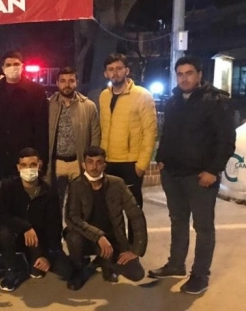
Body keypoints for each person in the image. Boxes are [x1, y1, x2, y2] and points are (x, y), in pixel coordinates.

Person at [149, 56, 235, 295]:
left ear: (199, 75)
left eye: (189, 73)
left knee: (203, 227)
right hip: (173, 174)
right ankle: (176, 264)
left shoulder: (215, 101)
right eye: (180, 74)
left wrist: (213, 170)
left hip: (200, 177)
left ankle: (200, 275)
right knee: (178, 221)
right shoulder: (174, 101)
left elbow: (226, 140)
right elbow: (167, 133)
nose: (184, 78)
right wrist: (162, 159)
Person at [65, 146, 147, 291]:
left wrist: (136, 249)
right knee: (72, 236)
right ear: (84, 165)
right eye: (90, 162)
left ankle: (105, 262)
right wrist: (98, 236)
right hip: (87, 238)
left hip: (112, 240)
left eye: (99, 162)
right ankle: (78, 271)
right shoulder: (76, 185)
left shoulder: (117, 184)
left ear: (104, 165)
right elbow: (72, 218)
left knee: (136, 274)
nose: (94, 167)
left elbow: (136, 215)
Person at [0, 148, 72, 292]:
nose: (28, 169)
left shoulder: (49, 191)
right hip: (15, 235)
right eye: (24, 165)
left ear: (39, 165)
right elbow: (2, 215)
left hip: (37, 239)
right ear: (18, 167)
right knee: (3, 231)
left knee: (65, 271)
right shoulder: (8, 186)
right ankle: (11, 270)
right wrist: (25, 227)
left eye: (32, 165)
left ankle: (32, 258)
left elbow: (54, 226)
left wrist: (46, 256)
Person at [99, 53, 156, 212]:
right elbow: (103, 127)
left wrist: (141, 165)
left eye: (119, 68)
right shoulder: (104, 96)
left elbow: (150, 132)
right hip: (108, 161)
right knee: (110, 210)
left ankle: (135, 232)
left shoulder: (142, 95)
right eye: (111, 69)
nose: (115, 73)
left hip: (131, 163)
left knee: (133, 212)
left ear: (127, 71)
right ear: (106, 73)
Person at [0, 51, 49, 179]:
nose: (12, 67)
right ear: (2, 68)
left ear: (22, 66)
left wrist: (41, 156)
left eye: (16, 64)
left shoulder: (36, 91)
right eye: (8, 65)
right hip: (1, 158)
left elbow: (41, 128)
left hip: (27, 157)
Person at [48, 67, 100, 206]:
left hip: (78, 163)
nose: (67, 85)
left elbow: (95, 136)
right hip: (56, 164)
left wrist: (91, 162)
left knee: (78, 204)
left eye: (71, 80)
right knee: (55, 204)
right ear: (57, 83)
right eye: (63, 81)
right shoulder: (48, 105)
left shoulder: (88, 106)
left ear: (76, 82)